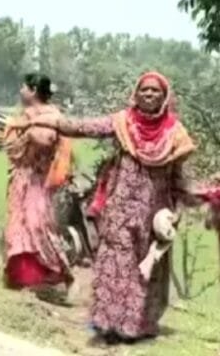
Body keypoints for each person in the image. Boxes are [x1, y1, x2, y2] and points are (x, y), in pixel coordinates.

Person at [12, 71, 211, 345]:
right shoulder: (122, 122)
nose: (149, 95)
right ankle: (106, 324)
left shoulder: (175, 135)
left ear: (164, 98)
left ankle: (131, 327)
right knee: (115, 263)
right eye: (145, 90)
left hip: (153, 214)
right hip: (119, 208)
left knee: (143, 271)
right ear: (136, 94)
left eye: (155, 91)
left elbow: (178, 177)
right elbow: (82, 127)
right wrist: (49, 120)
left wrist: (200, 195)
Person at [2, 73, 73, 299]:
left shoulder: (51, 116)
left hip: (38, 181)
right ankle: (22, 278)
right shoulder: (25, 116)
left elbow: (46, 139)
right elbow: (11, 147)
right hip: (21, 178)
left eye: (23, 87)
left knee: (36, 225)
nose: (20, 91)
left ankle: (53, 275)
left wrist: (29, 130)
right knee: (18, 227)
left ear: (32, 90)